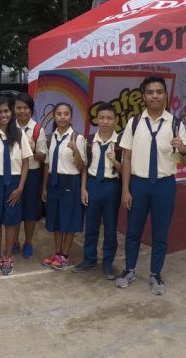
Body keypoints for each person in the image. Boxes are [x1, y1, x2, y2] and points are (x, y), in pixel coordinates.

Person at [118, 76, 186, 295]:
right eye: (150, 92)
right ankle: (129, 269)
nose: (155, 96)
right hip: (138, 184)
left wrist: (183, 149)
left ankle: (155, 273)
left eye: (159, 92)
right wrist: (125, 189)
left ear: (165, 95)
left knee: (160, 231)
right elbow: (126, 158)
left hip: (164, 185)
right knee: (133, 230)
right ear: (143, 96)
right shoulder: (134, 122)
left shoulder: (176, 124)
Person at [0, 97, 32, 276]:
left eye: (6, 111)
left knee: (11, 221)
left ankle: (8, 256)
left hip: (14, 182)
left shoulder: (18, 134)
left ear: (11, 112)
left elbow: (25, 163)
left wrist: (20, 188)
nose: (3, 115)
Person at [72, 103, 121, 279]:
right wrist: (83, 188)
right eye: (102, 118)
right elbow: (85, 167)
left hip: (111, 186)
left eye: (109, 118)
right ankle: (89, 259)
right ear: (96, 119)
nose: (105, 121)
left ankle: (108, 264)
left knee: (110, 227)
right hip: (92, 185)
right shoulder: (89, 141)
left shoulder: (120, 143)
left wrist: (115, 161)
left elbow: (126, 170)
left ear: (115, 120)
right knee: (91, 226)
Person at [42, 102, 86, 270]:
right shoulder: (51, 137)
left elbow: (81, 167)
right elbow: (47, 164)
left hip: (70, 181)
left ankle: (65, 255)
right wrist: (44, 187)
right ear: (54, 116)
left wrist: (75, 150)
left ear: (71, 116)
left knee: (68, 219)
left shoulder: (77, 138)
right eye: (59, 114)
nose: (62, 117)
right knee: (56, 218)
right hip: (54, 181)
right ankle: (57, 252)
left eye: (66, 114)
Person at [14, 93, 47, 258]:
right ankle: (13, 241)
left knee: (30, 211)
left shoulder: (37, 129)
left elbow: (43, 157)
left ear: (31, 110)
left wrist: (33, 150)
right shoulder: (8, 127)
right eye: (18, 108)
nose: (22, 111)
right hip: (14, 172)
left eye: (25, 108)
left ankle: (28, 242)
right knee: (13, 210)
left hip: (32, 174)